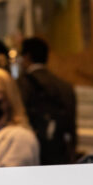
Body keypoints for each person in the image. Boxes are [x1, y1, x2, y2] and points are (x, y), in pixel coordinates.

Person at [17, 36, 78, 165]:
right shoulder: (65, 86)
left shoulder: (22, 84)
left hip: (33, 152)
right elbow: (72, 125)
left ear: (27, 57)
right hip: (60, 153)